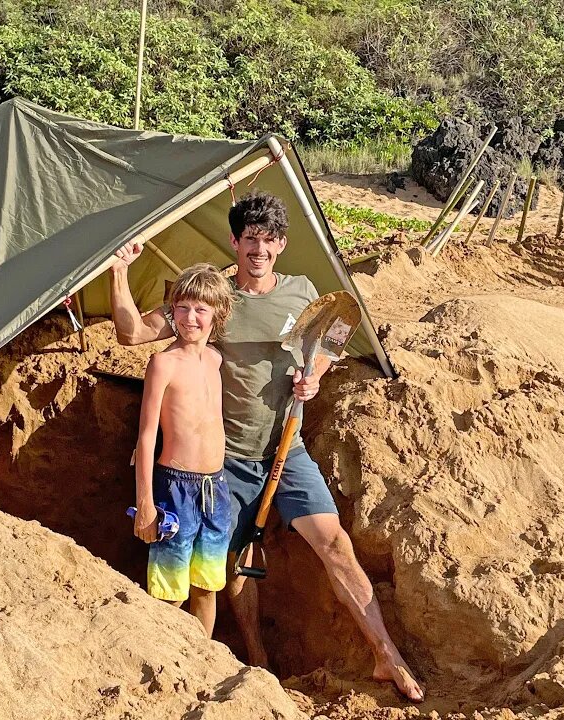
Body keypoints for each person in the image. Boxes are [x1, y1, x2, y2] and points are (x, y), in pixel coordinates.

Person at [110, 190, 424, 702]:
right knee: (227, 564)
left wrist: (315, 376)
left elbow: (337, 335)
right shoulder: (212, 296)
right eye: (249, 238)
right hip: (222, 462)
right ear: (234, 241)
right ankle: (256, 660)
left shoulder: (304, 293)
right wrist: (120, 272)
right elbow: (131, 333)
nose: (259, 248)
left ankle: (385, 654)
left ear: (281, 245)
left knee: (336, 544)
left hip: (287, 449)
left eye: (269, 239)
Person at [133, 263, 235, 638]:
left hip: (216, 488)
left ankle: (202, 663)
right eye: (183, 307)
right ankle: (160, 660)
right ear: (171, 310)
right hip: (175, 488)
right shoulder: (163, 363)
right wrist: (146, 503)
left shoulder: (215, 360)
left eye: (201, 309)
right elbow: (146, 437)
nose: (191, 317)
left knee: (207, 587)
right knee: (169, 591)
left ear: (217, 314)